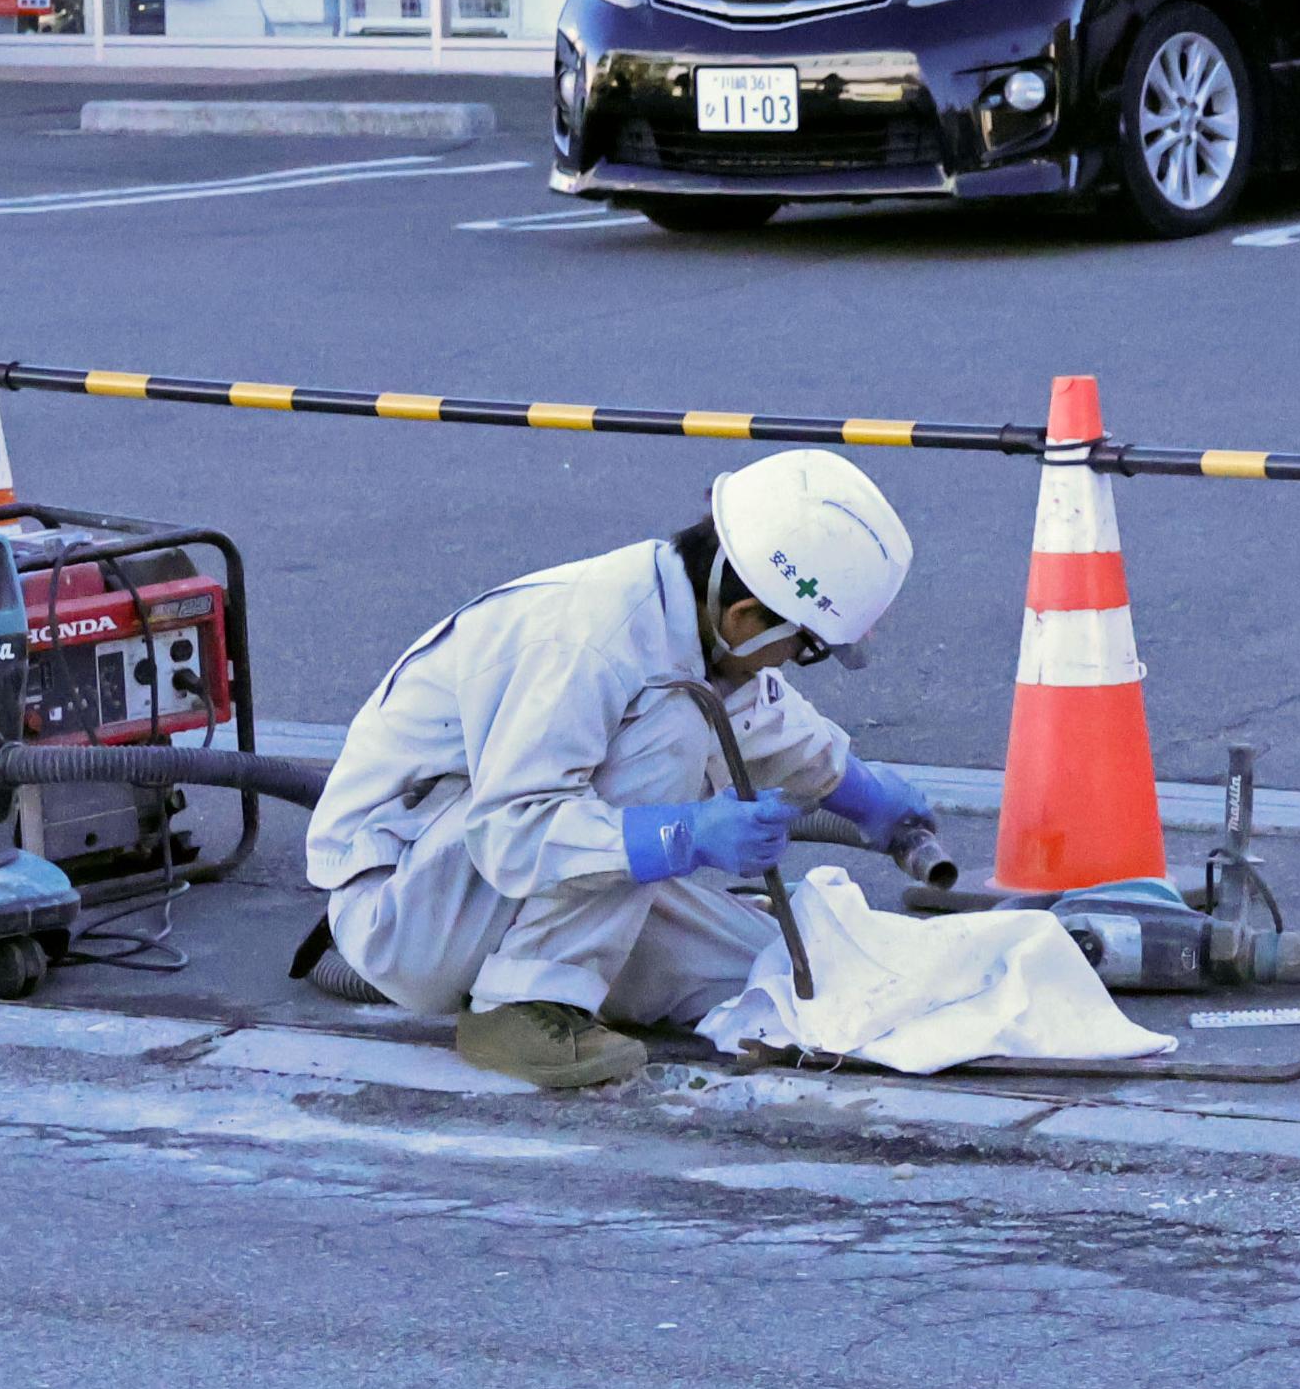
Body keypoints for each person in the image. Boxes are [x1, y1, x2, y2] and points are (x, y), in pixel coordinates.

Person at [301, 450, 949, 1090]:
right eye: (803, 646)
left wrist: (857, 790)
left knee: (783, 974)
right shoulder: (591, 639)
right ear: (746, 618)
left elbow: (758, 714)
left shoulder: (687, 620)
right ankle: (520, 1006)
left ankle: (564, 976)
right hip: (412, 905)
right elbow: (511, 831)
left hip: (490, 892)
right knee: (676, 721)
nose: (790, 660)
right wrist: (685, 836)